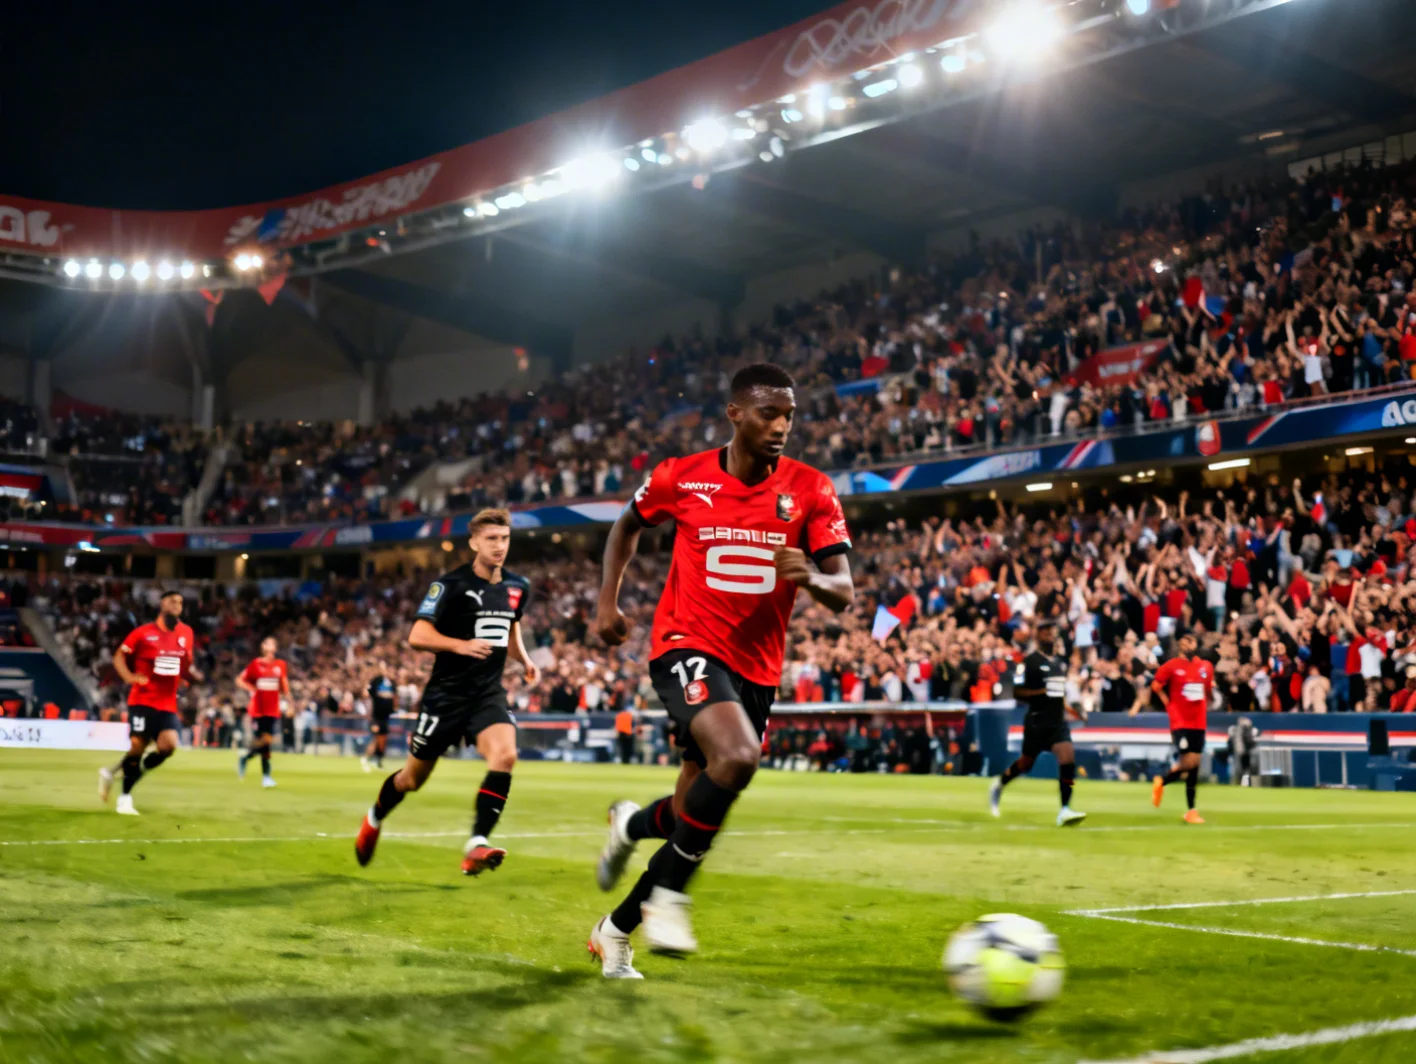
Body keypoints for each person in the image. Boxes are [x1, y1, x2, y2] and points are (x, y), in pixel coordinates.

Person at [588, 362, 854, 979]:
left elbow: (843, 589)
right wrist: (608, 601)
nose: (782, 425)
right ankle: (670, 901)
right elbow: (626, 524)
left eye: (789, 413)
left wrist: (812, 576)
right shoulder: (680, 477)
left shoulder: (812, 489)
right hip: (684, 643)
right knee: (735, 759)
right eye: (769, 412)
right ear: (735, 414)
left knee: (692, 816)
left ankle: (616, 917)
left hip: (756, 670)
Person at [353, 508, 539, 876]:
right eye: (491, 539)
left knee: (505, 756)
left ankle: (476, 843)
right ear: (473, 542)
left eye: (504, 539)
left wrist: (525, 659)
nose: (499, 546)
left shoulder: (518, 587)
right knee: (411, 780)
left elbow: (510, 626)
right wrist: (460, 645)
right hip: (446, 698)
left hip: (487, 695)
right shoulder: (450, 585)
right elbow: (417, 635)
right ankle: (375, 816)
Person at [97, 590, 204, 815]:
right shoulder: (143, 633)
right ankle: (125, 797)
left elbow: (185, 662)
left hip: (167, 703)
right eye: (172, 601)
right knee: (138, 745)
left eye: (180, 602)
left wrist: (185, 677)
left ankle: (116, 773)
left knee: (168, 746)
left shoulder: (186, 632)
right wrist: (129, 677)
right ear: (161, 604)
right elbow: (119, 656)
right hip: (142, 700)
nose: (177, 605)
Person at [989, 620, 1087, 827]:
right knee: (1026, 763)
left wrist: (1074, 711)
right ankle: (1000, 784)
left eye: (1052, 632)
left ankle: (1065, 809)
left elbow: (1059, 696)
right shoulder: (1028, 662)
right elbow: (1017, 693)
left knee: (1068, 759)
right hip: (1036, 721)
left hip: (1057, 722)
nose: (1050, 635)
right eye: (1045, 632)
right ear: (1038, 636)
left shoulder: (1059, 664)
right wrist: (1040, 692)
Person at [1150, 632, 1214, 824]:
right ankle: (1163, 781)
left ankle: (1190, 810)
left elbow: (1207, 689)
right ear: (1180, 643)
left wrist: (1207, 701)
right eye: (1186, 640)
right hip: (1180, 721)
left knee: (1194, 766)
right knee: (1189, 762)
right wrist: (1168, 704)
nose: (1189, 643)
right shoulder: (1171, 666)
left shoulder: (1204, 666)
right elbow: (1156, 685)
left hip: (1199, 721)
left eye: (1192, 640)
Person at [235, 637, 290, 788]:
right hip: (258, 709)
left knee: (266, 741)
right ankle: (266, 776)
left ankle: (245, 758)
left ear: (276, 648)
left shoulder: (280, 665)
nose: (268, 645)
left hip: (273, 708)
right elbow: (240, 679)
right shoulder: (256, 664)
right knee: (266, 742)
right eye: (266, 642)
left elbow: (284, 686)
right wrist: (251, 689)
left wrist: (290, 703)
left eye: (272, 643)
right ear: (262, 647)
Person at [361, 661, 397, 772]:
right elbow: (366, 693)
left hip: (386, 717)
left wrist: (394, 708)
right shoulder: (376, 681)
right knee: (376, 737)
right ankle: (365, 758)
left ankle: (377, 760)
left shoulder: (392, 683)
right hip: (376, 716)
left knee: (383, 740)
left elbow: (395, 697)